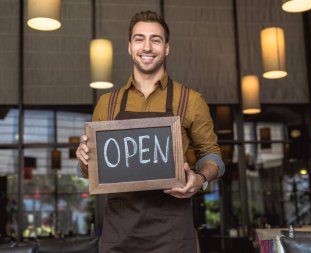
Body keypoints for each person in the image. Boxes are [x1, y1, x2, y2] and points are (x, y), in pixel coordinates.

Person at [76, 10, 225, 253]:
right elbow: (89, 171)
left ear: (166, 47)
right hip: (119, 236)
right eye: (139, 39)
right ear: (129, 47)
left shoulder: (191, 100)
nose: (147, 47)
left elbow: (213, 155)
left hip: (173, 235)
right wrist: (83, 158)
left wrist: (201, 179)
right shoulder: (107, 104)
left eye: (155, 40)